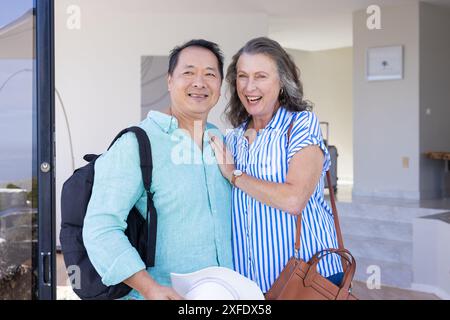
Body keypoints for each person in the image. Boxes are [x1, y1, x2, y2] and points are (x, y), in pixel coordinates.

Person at [82, 39, 233, 300]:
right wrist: (149, 288)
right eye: (188, 72)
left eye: (210, 74)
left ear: (220, 86)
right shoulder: (136, 144)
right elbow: (100, 228)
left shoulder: (218, 140)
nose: (200, 82)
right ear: (169, 81)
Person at [209, 37, 344, 294]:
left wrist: (234, 175)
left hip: (308, 280)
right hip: (254, 286)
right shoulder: (234, 138)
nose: (249, 87)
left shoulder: (300, 125)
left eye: (260, 76)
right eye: (242, 76)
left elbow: (294, 199)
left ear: (281, 81)